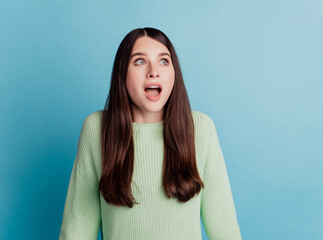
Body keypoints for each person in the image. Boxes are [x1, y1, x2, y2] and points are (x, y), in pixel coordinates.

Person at [59, 27, 242, 240]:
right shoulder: (97, 128)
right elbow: (78, 226)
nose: (153, 71)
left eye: (164, 61)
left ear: (174, 73)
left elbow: (224, 226)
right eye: (139, 61)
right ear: (122, 73)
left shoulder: (201, 129)